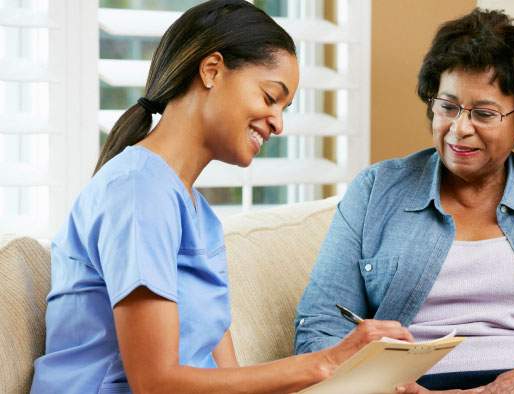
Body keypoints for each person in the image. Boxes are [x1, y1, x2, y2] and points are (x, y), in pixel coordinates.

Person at [30, 1, 413, 393]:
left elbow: (228, 381)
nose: (279, 123)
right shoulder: (137, 192)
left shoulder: (200, 216)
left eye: (285, 108)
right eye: (269, 97)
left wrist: (357, 373)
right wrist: (325, 362)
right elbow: (155, 383)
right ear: (211, 70)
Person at [294, 8, 514, 394]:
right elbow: (318, 329)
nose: (459, 129)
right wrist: (377, 383)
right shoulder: (376, 190)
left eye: (483, 113)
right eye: (447, 107)